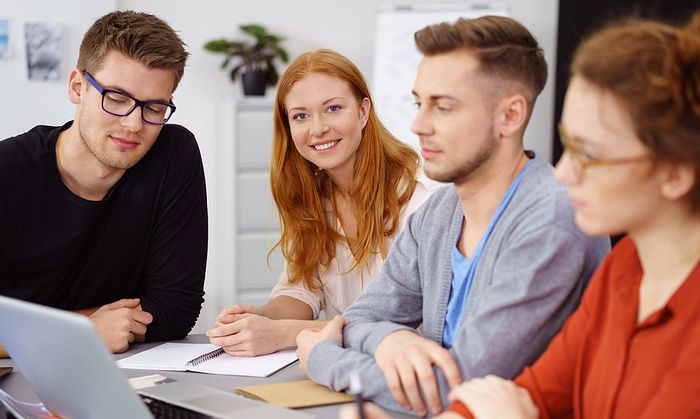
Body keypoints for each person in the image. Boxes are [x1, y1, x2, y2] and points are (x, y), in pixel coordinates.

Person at [436, 8, 700, 419]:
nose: (562, 174)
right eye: (568, 145)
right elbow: (535, 393)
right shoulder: (627, 265)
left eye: (590, 155)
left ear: (676, 173)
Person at [296, 15, 610, 418]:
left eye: (442, 107)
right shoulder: (439, 213)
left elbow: (455, 389)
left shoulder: (551, 219)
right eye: (418, 102)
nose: (418, 125)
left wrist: (323, 359)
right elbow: (358, 318)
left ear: (510, 117)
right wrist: (390, 340)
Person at [0, 11, 207, 356]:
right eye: (116, 99)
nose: (133, 124)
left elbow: (176, 308)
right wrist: (84, 331)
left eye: (154, 107)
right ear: (77, 87)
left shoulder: (173, 155)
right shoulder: (8, 172)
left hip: (120, 369)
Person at [206, 49, 436, 357]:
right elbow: (303, 289)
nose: (317, 128)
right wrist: (265, 317)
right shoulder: (311, 196)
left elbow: (407, 327)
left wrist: (284, 333)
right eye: (301, 116)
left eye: (333, 109)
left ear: (363, 111)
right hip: (341, 367)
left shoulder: (422, 195)